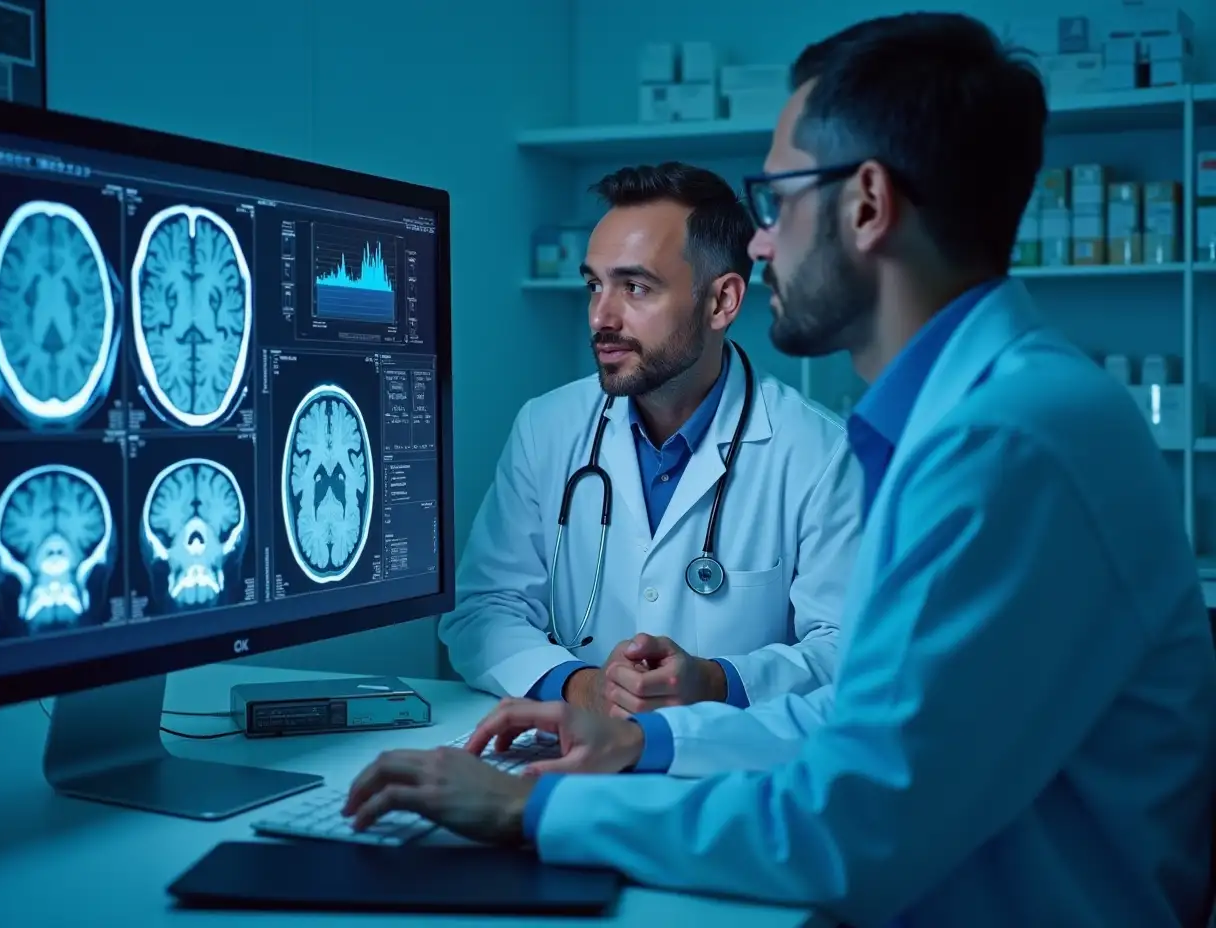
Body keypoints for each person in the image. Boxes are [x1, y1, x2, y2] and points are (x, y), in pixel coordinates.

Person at [344, 13, 1216, 926]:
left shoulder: (1007, 444)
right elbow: (860, 727)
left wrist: (534, 807)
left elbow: (852, 824)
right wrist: (642, 739)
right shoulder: (992, 416)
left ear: (868, 205)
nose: (762, 244)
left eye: (780, 198)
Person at [438, 162, 863, 717]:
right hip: (575, 748)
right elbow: (482, 612)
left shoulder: (820, 451)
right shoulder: (547, 427)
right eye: (595, 284)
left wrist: (715, 682)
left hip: (728, 772)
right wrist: (582, 687)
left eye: (635, 287)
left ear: (722, 302)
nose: (600, 316)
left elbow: (846, 648)